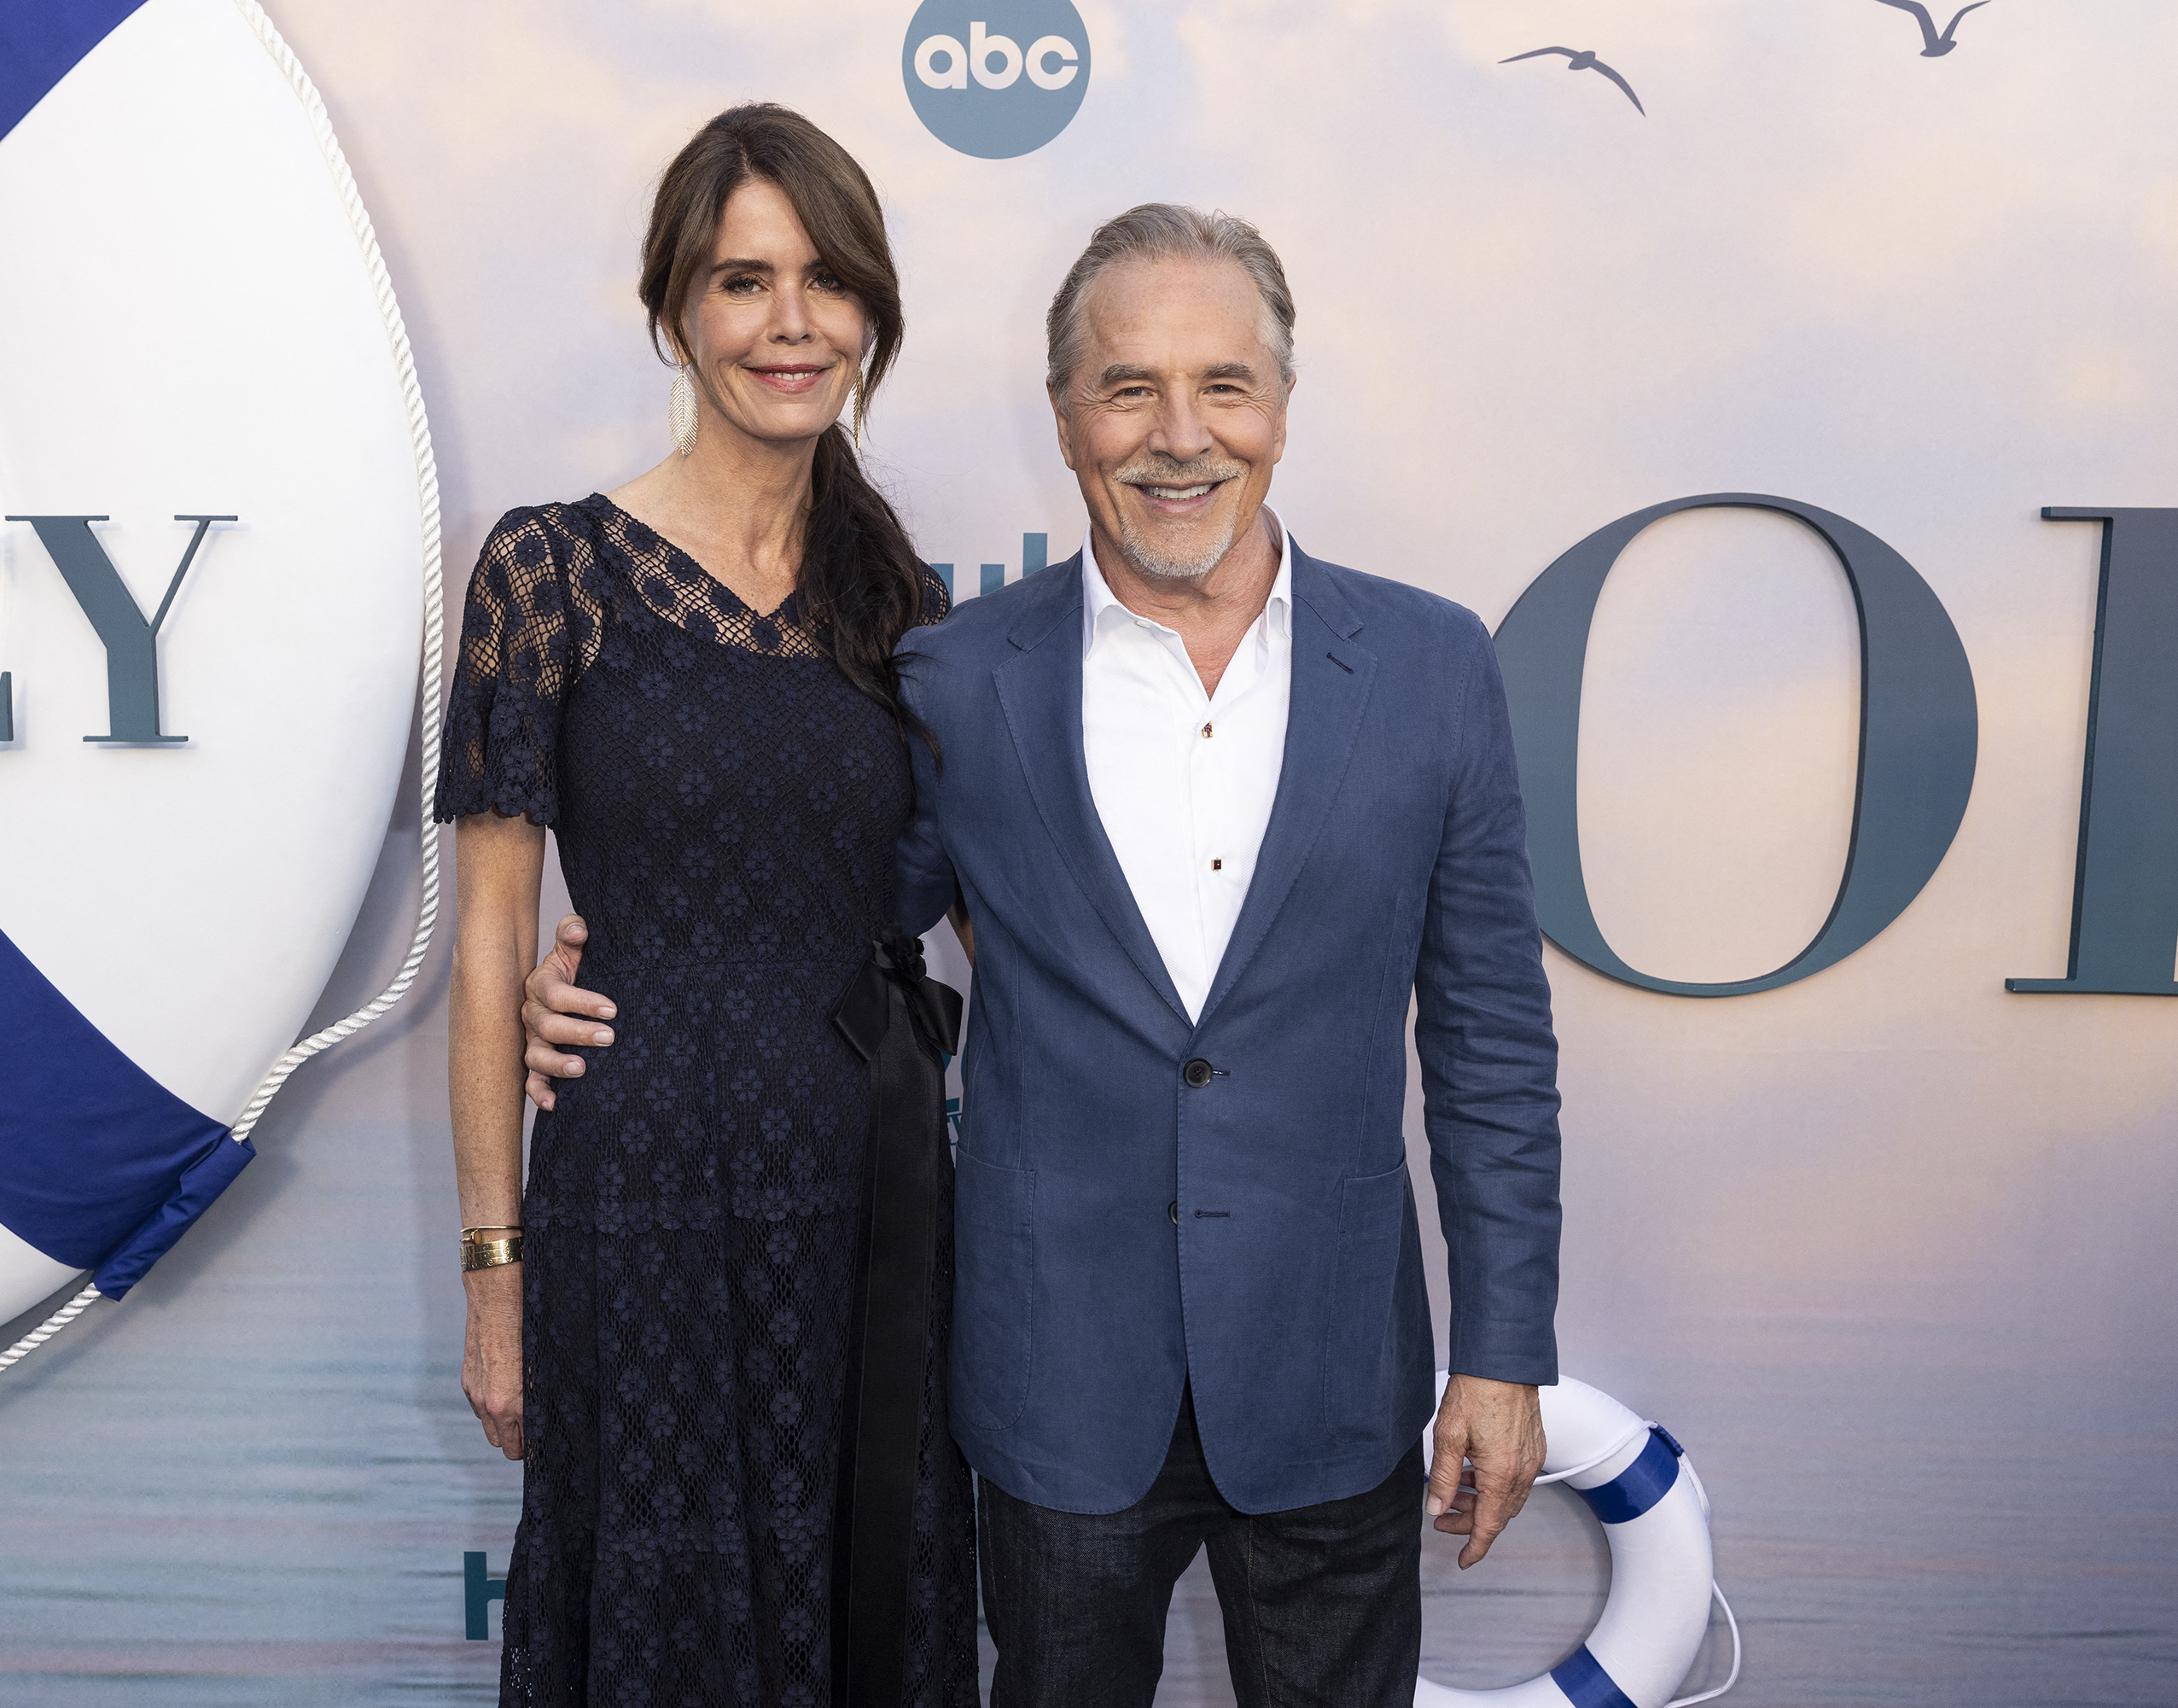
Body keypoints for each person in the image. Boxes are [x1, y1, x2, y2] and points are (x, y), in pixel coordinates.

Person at [528, 204, 1564, 1705]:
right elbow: (827, 912)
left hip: (1333, 1379)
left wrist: (1504, 1350)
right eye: (1128, 387)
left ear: (1281, 405)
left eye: (1223, 384)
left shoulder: (1431, 664)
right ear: (1066, 417)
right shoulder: (957, 677)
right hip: (1054, 1389)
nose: (1178, 435)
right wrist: (610, 957)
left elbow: (1490, 1046)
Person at [436, 104, 976, 1708]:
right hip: (637, 1193)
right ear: (676, 307)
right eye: (745, 282)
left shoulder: (905, 604)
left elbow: (954, 915)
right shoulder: (551, 571)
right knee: (654, 1607)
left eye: (826, 282)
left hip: (866, 1200)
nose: (789, 323)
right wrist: (494, 1274)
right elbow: (490, 945)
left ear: (872, 314)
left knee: (867, 1595)